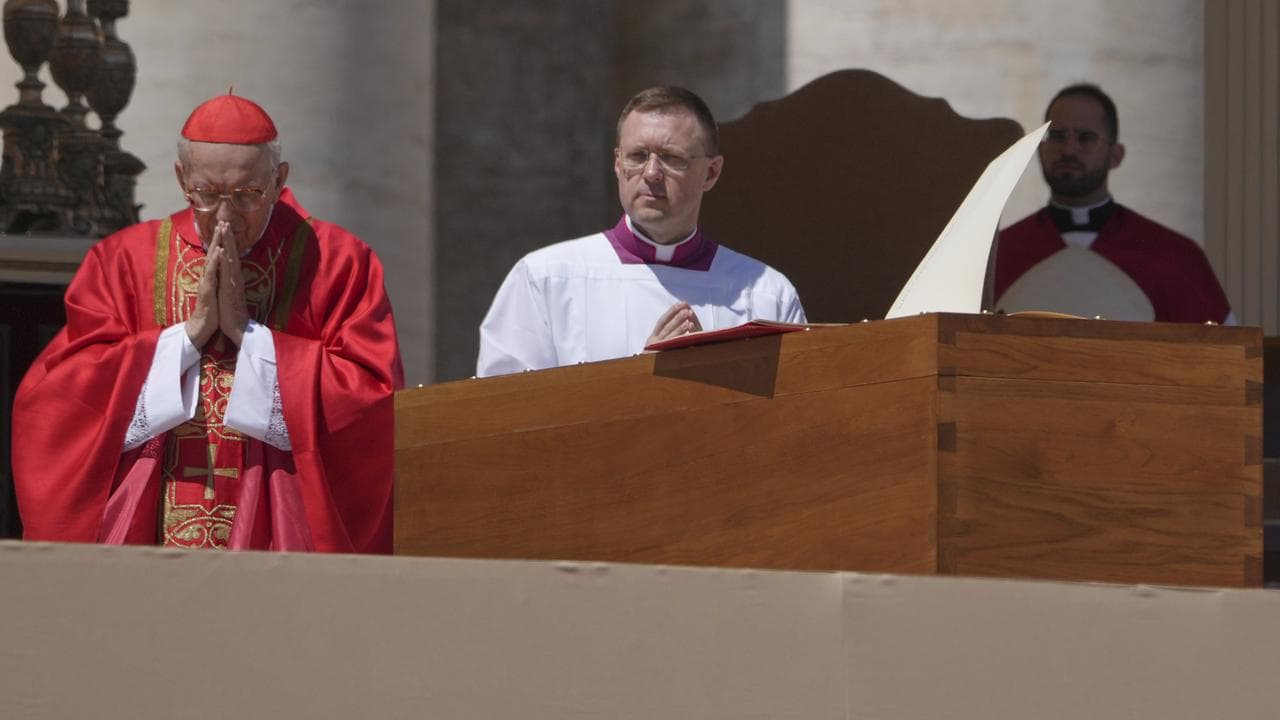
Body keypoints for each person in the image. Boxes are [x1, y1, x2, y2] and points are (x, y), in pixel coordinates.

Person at [11, 93, 404, 552]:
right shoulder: (122, 261)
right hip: (152, 532)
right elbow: (54, 401)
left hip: (279, 534)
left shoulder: (338, 262)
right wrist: (188, 336)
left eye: (247, 195)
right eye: (207, 194)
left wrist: (250, 338)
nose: (225, 215)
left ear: (279, 180)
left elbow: (372, 402)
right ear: (182, 178)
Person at [476, 86, 806, 377]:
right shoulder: (545, 279)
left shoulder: (767, 294)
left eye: (671, 158)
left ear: (711, 172)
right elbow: (507, 418)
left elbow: (796, 418)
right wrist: (640, 380)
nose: (651, 173)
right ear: (618, 164)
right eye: (637, 156)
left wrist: (717, 379)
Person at [993, 83, 1233, 324]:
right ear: (1040, 149)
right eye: (1057, 136)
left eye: (1086, 137)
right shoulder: (997, 255)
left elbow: (1221, 351)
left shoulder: (1174, 256)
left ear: (1116, 155)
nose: (1069, 149)